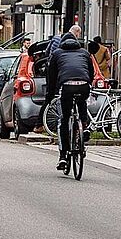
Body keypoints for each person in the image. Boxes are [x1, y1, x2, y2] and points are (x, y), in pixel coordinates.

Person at [46, 29, 95, 171]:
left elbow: (52, 77)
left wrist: (50, 95)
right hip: (84, 85)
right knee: (82, 102)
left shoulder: (57, 54)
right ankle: (84, 126)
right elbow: (90, 73)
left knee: (64, 119)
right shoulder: (85, 53)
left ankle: (62, 155)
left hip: (66, 87)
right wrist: (88, 84)